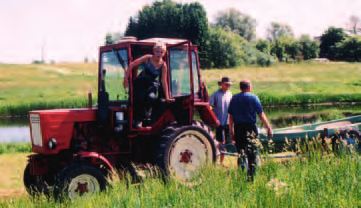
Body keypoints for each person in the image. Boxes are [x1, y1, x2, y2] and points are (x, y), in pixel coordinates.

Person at [228, 79, 273, 180]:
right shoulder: (253, 98)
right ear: (249, 87)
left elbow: (230, 117)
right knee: (252, 153)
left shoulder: (234, 98)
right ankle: (251, 178)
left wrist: (231, 131)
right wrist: (268, 128)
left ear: (240, 88)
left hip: (238, 128)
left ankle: (241, 175)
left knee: (241, 153)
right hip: (250, 128)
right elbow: (261, 115)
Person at [123, 41, 171, 128]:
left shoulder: (163, 65)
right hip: (141, 81)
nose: (159, 54)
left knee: (151, 97)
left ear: (164, 53)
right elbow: (132, 65)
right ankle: (138, 120)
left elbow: (164, 81)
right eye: (157, 51)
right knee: (139, 98)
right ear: (154, 51)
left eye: (161, 52)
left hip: (152, 84)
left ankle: (147, 113)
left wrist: (167, 97)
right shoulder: (148, 58)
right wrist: (125, 79)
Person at [209, 77, 233, 165]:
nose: (228, 86)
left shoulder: (230, 94)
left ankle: (221, 162)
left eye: (229, 85)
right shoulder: (215, 94)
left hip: (228, 122)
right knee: (220, 142)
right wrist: (214, 119)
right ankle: (216, 160)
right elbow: (210, 107)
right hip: (219, 122)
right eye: (226, 84)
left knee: (226, 142)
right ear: (222, 84)